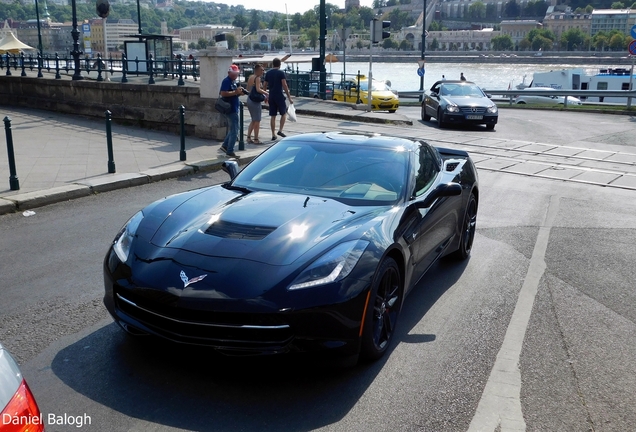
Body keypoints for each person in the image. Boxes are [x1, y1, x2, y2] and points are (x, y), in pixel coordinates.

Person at [219, 64, 247, 158]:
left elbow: (231, 94)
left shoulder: (232, 81)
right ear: (229, 73)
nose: (236, 75)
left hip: (233, 107)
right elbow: (223, 93)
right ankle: (230, 151)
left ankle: (225, 146)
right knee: (235, 130)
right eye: (234, 73)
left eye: (237, 73)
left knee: (233, 129)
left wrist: (238, 94)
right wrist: (236, 92)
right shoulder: (227, 81)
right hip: (230, 109)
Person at [263, 58, 293, 141]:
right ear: (279, 65)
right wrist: (289, 97)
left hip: (271, 95)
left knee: (273, 116)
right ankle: (280, 130)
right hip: (279, 95)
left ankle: (273, 134)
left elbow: (264, 85)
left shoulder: (268, 73)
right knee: (283, 113)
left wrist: (265, 95)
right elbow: (284, 85)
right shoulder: (281, 73)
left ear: (273, 64)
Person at [245, 64, 268, 144]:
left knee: (253, 119)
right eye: (261, 70)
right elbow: (258, 90)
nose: (263, 71)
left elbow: (248, 89)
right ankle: (256, 139)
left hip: (249, 99)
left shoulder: (251, 77)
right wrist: (266, 93)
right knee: (257, 120)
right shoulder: (257, 78)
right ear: (257, 70)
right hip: (255, 101)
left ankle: (248, 137)